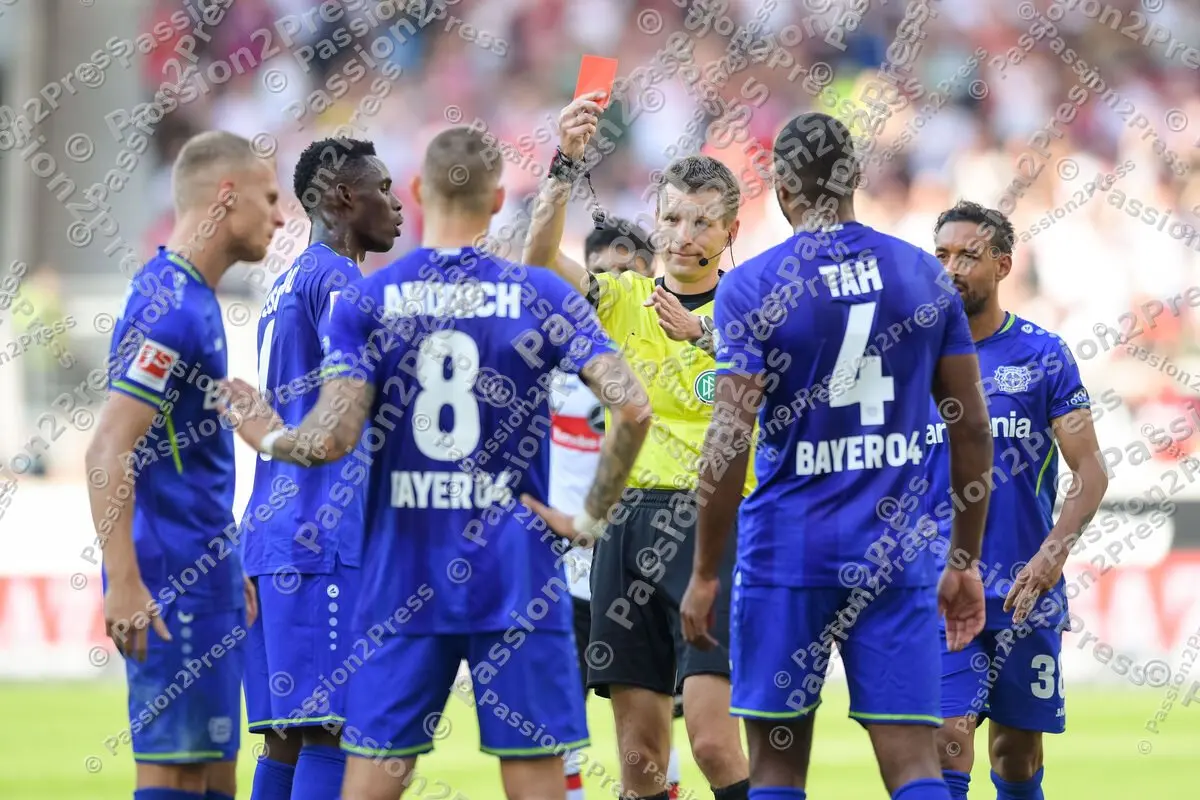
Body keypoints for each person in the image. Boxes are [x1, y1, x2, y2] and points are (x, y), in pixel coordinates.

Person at [222, 125, 652, 800]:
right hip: (514, 560)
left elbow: (332, 436)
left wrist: (270, 438)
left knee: (355, 757)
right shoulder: (539, 295)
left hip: (402, 566)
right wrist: (590, 518)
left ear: (422, 191)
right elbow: (634, 406)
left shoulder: (368, 300)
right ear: (498, 195)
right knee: (533, 767)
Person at [681, 111, 996, 800]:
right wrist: (963, 561)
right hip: (897, 552)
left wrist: (706, 570)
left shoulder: (751, 286)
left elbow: (731, 437)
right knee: (914, 764)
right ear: (854, 178)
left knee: (775, 769)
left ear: (783, 189)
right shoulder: (921, 275)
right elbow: (971, 428)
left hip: (787, 556)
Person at [523, 92, 751, 800]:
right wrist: (565, 161)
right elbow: (535, 258)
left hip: (712, 527)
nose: (684, 235)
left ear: (730, 229)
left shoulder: (751, 306)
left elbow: (790, 397)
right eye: (673, 218)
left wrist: (707, 338)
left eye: (702, 222)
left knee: (713, 744)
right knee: (641, 761)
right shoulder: (622, 296)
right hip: (625, 527)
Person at [85, 130, 283, 800]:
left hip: (204, 569)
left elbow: (180, 450)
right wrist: (123, 582)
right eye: (269, 197)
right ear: (226, 197)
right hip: (170, 579)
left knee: (213, 774)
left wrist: (223, 559)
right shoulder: (169, 306)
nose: (280, 216)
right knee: (177, 771)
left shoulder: (191, 298)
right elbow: (108, 447)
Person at [927, 201, 1108, 800]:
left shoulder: (1042, 354)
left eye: (968, 257)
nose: (952, 269)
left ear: (1003, 265)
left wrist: (1053, 554)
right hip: (938, 586)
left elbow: (1090, 471)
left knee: (1015, 754)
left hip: (1024, 590)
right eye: (942, 256)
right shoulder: (911, 356)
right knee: (947, 737)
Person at [241, 137, 404, 800]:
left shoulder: (288, 281)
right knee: (333, 729)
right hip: (322, 534)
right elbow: (351, 410)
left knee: (288, 732)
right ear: (342, 197)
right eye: (385, 189)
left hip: (276, 532)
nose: (396, 204)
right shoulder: (339, 280)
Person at [550, 219, 684, 800]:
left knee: (659, 731)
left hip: (640, 551)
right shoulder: (548, 355)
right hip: (558, 569)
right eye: (601, 275)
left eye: (628, 274)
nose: (614, 286)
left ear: (651, 276)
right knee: (557, 733)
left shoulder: (674, 354)